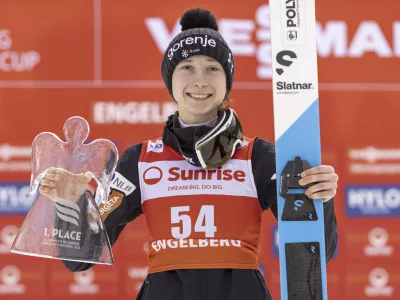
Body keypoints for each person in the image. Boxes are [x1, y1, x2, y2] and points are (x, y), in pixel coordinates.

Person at [39, 8, 338, 300]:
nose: (200, 81)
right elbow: (79, 258)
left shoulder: (257, 157)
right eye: (187, 67)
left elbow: (316, 250)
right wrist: (71, 204)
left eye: (212, 68)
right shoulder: (141, 161)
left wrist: (320, 198)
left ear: (227, 80)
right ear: (170, 80)